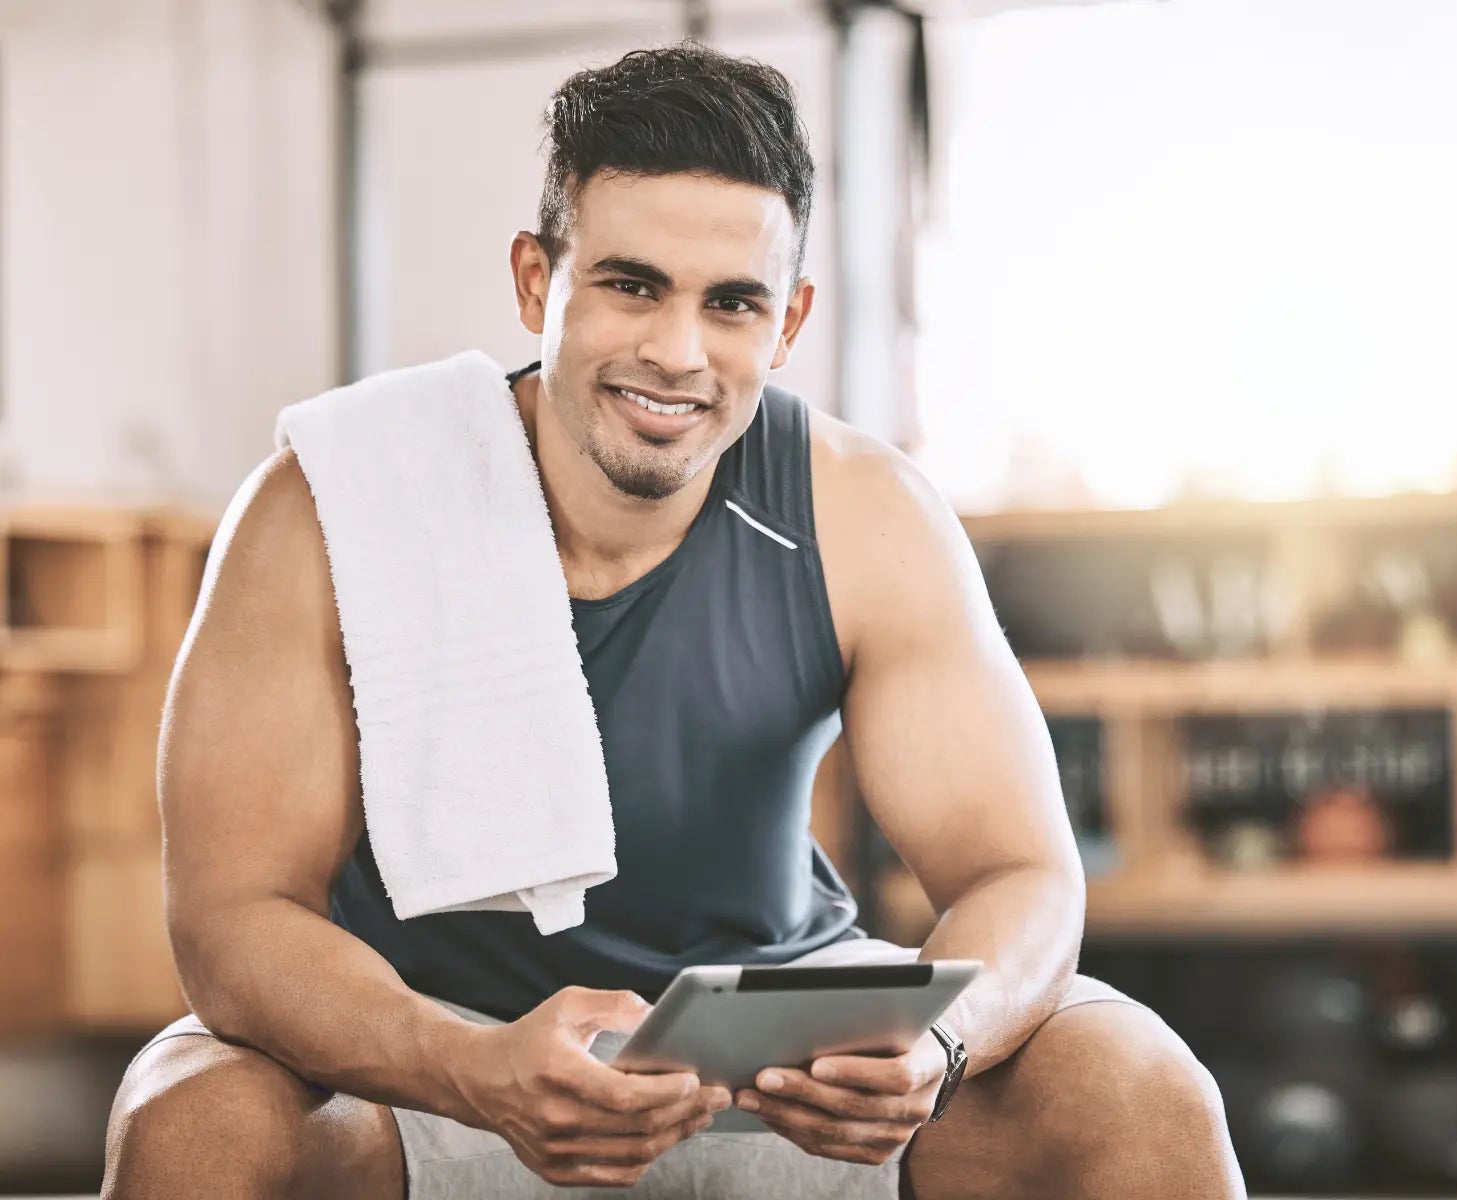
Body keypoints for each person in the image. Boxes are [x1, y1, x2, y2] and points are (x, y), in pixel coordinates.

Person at [100, 41, 1242, 1200]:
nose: (677, 353)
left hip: (781, 1059)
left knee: (1140, 1090)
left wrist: (938, 1046)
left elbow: (1020, 871)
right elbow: (233, 921)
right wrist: (468, 1068)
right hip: (443, 1058)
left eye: (732, 303)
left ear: (787, 324)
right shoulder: (324, 508)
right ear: (538, 281)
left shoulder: (867, 514)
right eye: (632, 286)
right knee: (190, 1118)